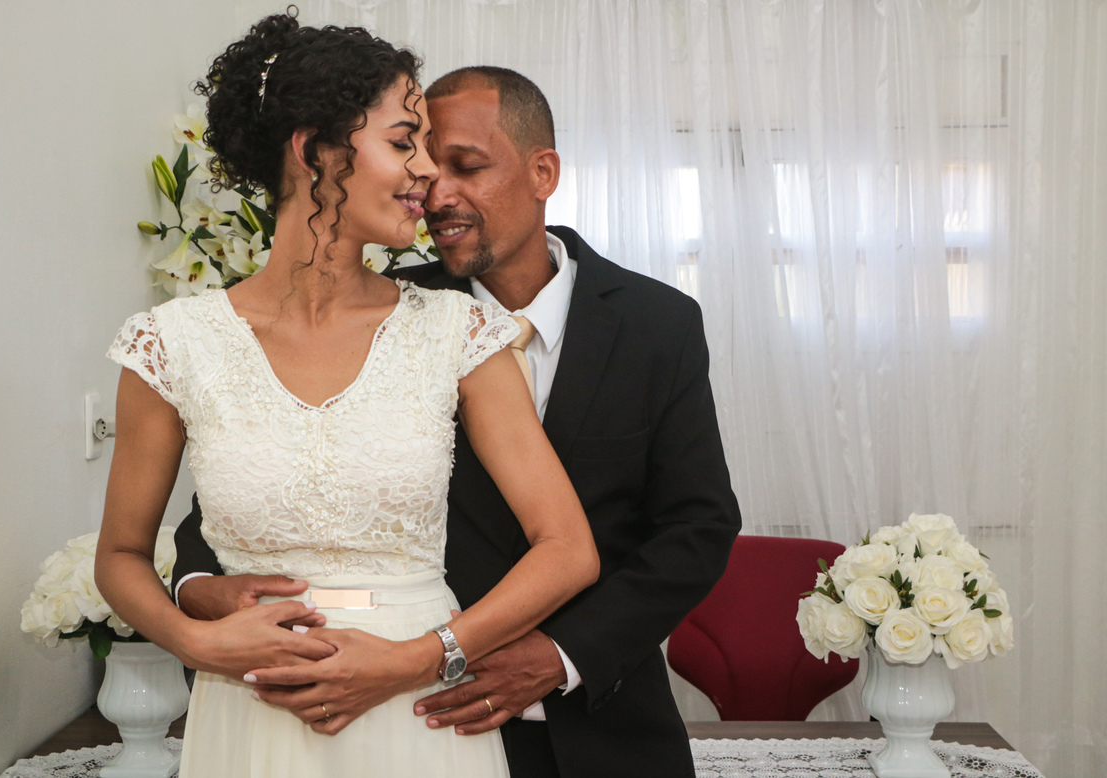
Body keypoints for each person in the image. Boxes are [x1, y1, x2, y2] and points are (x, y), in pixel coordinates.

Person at [174, 64, 742, 778]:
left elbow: (696, 526)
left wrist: (563, 655)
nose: (435, 193)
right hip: (406, 719)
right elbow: (243, 495)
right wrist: (199, 591)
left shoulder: (658, 324)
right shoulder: (385, 316)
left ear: (542, 172)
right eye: (422, 161)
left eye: (466, 167)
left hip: (604, 726)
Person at [95, 16, 600, 778]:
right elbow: (121, 557)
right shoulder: (171, 344)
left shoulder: (457, 334)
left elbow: (568, 549)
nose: (427, 171)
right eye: (404, 142)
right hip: (248, 715)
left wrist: (418, 659)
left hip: (418, 713)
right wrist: (196, 642)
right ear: (316, 152)